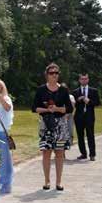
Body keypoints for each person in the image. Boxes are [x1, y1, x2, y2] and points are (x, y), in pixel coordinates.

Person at [32, 63, 73, 191]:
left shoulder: (63, 90)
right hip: (46, 124)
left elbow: (69, 109)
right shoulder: (41, 90)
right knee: (46, 153)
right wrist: (46, 109)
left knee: (60, 154)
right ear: (47, 75)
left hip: (60, 125)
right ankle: (47, 181)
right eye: (52, 73)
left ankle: (59, 182)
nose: (54, 75)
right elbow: (34, 108)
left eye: (56, 73)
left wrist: (57, 109)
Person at [73, 74, 101, 161]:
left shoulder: (94, 91)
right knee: (80, 136)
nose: (84, 80)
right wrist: (78, 100)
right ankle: (83, 154)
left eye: (85, 79)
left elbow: (97, 103)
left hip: (89, 117)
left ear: (88, 80)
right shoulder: (75, 92)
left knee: (90, 136)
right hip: (78, 117)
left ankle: (92, 154)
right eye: (82, 79)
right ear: (79, 80)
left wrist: (89, 101)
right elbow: (72, 105)